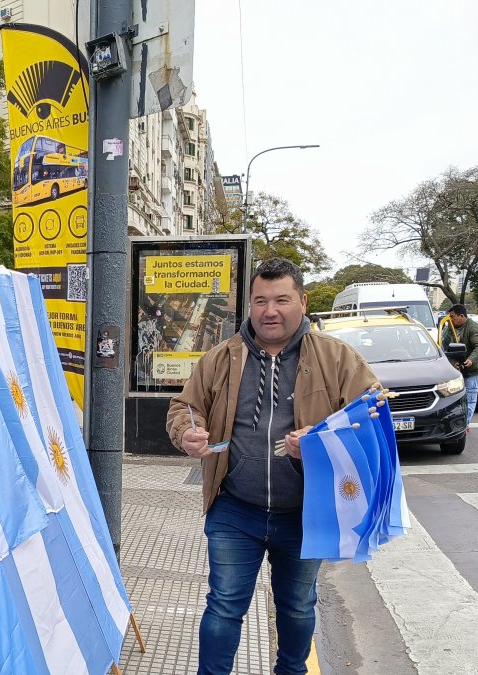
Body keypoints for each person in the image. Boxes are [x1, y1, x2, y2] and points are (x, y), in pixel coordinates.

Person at [166, 258, 377, 675]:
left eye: (281, 299)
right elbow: (184, 406)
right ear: (250, 305)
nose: (270, 310)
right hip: (234, 508)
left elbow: (370, 414)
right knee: (224, 606)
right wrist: (187, 432)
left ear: (301, 301)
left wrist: (320, 443)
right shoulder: (222, 357)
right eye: (260, 300)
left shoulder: (338, 357)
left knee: (298, 609)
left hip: (305, 512)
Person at [440, 303, 478, 428]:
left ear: (462, 316)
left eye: (453, 317)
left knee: (470, 397)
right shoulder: (450, 327)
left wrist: (471, 360)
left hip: (471, 370)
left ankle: (465, 425)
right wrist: (453, 364)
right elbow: (444, 347)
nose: (451, 319)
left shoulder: (474, 328)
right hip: (455, 370)